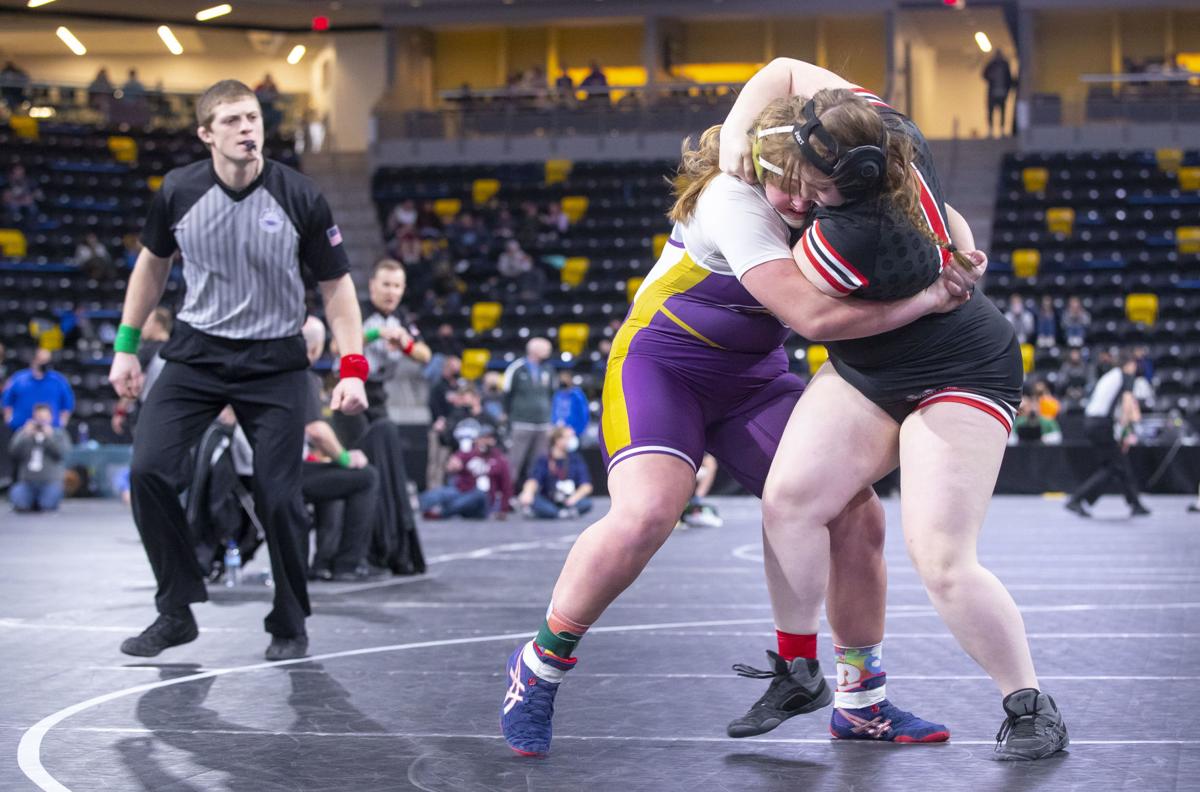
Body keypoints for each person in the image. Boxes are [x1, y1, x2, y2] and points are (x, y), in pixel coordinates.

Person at [499, 78, 983, 755]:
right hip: (663, 366)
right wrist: (929, 297)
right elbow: (812, 318)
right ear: (756, 164)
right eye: (785, 187)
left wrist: (958, 254)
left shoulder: (829, 182)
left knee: (856, 515)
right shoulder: (733, 198)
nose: (799, 202)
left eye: (808, 186)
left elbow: (934, 207)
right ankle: (539, 666)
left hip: (753, 378)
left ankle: (861, 701)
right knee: (648, 512)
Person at [716, 57, 1067, 760]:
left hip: (958, 367)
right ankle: (799, 671)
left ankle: (1031, 706)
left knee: (941, 557)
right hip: (872, 368)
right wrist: (734, 138)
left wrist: (934, 292)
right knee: (789, 502)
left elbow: (814, 318)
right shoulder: (888, 133)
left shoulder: (856, 234)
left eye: (811, 188)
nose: (796, 197)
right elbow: (784, 69)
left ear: (848, 186)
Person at [108, 79, 368, 663]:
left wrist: (351, 367)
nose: (247, 128)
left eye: (253, 117)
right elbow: (151, 269)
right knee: (147, 471)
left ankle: (290, 621)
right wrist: (126, 346)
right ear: (207, 134)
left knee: (279, 496)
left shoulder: (299, 195)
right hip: (196, 353)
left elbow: (336, 287)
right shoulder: (179, 191)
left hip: (275, 361)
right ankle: (176, 610)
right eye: (232, 120)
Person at [298, 317, 381, 582]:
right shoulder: (303, 376)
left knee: (333, 479)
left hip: (260, 470)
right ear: (314, 350)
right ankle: (347, 563)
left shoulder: (267, 375)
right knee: (365, 477)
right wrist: (345, 458)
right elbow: (316, 430)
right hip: (284, 475)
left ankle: (323, 562)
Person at [340, 258, 432, 444]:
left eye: (396, 286)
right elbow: (336, 345)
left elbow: (425, 355)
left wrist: (405, 345)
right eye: (386, 285)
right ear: (372, 285)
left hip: (378, 392)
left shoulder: (401, 317)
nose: (391, 292)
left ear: (403, 289)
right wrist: (377, 333)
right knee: (360, 446)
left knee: (386, 441)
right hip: (348, 389)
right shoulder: (358, 310)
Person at [1065, 351, 1150, 518]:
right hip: (1101, 424)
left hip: (1092, 421)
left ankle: (1135, 503)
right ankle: (1077, 499)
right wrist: (1124, 431)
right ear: (1129, 365)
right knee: (1114, 466)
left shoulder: (1110, 375)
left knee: (1117, 466)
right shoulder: (1125, 376)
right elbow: (1127, 404)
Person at [420, 423, 512, 519]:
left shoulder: (499, 460)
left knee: (478, 494)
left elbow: (506, 485)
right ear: (477, 439)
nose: (485, 441)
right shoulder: (469, 454)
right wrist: (453, 465)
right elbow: (453, 463)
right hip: (462, 491)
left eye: (489, 438)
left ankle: (441, 513)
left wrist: (503, 509)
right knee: (437, 494)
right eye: (483, 438)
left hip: (484, 501)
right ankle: (426, 508)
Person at [112, 307, 173, 438]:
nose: (142, 328)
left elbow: (133, 384)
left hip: (149, 412)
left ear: (158, 324)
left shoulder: (147, 350)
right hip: (174, 412)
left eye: (147, 323)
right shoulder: (178, 350)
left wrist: (120, 412)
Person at [503, 337, 555, 482]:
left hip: (543, 424)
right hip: (521, 422)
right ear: (534, 350)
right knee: (513, 462)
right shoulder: (517, 368)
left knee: (539, 464)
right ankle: (507, 493)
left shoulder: (549, 369)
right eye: (546, 348)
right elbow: (507, 393)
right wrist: (508, 415)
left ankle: (535, 493)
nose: (549, 351)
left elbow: (551, 394)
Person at [516, 425, 593, 519]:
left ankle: (558, 513)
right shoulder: (544, 459)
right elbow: (533, 480)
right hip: (549, 498)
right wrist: (528, 492)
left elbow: (586, 485)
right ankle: (559, 513)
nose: (571, 441)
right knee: (536, 501)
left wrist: (574, 498)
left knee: (587, 503)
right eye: (568, 437)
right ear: (557, 440)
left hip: (569, 498)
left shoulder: (576, 459)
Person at [8, 403, 69, 513]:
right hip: (27, 483)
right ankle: (29, 501)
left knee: (47, 504)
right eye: (39, 418)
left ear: (50, 418)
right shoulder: (24, 433)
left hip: (50, 482)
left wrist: (49, 438)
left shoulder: (58, 434)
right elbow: (13, 452)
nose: (41, 421)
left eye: (44, 418)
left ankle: (41, 501)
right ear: (33, 417)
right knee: (19, 501)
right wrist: (25, 435)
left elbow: (61, 454)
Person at [3, 348, 73, 433]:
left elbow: (68, 404)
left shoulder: (58, 380)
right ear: (34, 360)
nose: (45, 363)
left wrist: (62, 423)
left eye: (47, 361)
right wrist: (9, 420)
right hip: (20, 429)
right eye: (42, 360)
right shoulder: (18, 378)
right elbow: (7, 401)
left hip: (51, 431)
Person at [982, 50, 1015, 138]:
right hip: (993, 93)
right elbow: (984, 74)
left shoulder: (1005, 66)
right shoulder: (992, 65)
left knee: (1002, 112)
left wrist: (1008, 90)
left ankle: (1002, 130)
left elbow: (1009, 79)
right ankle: (990, 130)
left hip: (1002, 92)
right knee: (991, 111)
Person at [550, 369, 589, 441]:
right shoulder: (557, 395)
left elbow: (584, 414)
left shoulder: (577, 395)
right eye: (561, 379)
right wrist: (555, 424)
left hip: (573, 431)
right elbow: (553, 411)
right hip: (557, 430)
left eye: (565, 379)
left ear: (570, 380)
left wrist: (577, 430)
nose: (563, 381)